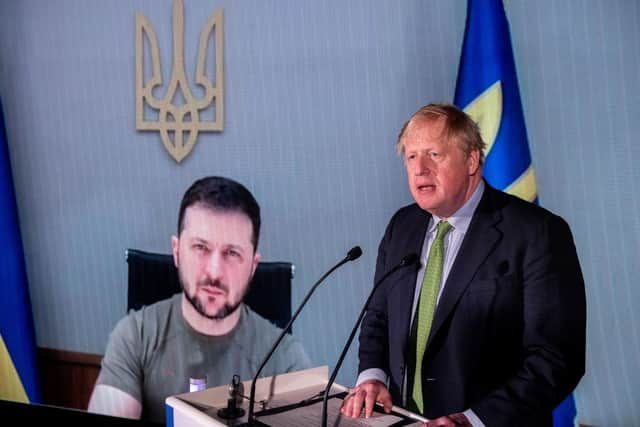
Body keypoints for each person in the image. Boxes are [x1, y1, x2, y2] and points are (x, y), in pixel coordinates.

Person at [341, 104, 586, 426]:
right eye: (411, 156)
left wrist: (472, 419)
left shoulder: (536, 233)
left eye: (434, 155)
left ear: (471, 160)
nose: (420, 169)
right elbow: (378, 317)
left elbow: (556, 357)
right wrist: (372, 377)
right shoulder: (402, 225)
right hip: (403, 418)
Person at [88, 176, 311, 423]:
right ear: (176, 252)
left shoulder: (285, 358)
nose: (214, 272)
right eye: (200, 248)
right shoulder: (135, 335)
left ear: (252, 266)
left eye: (232, 253)